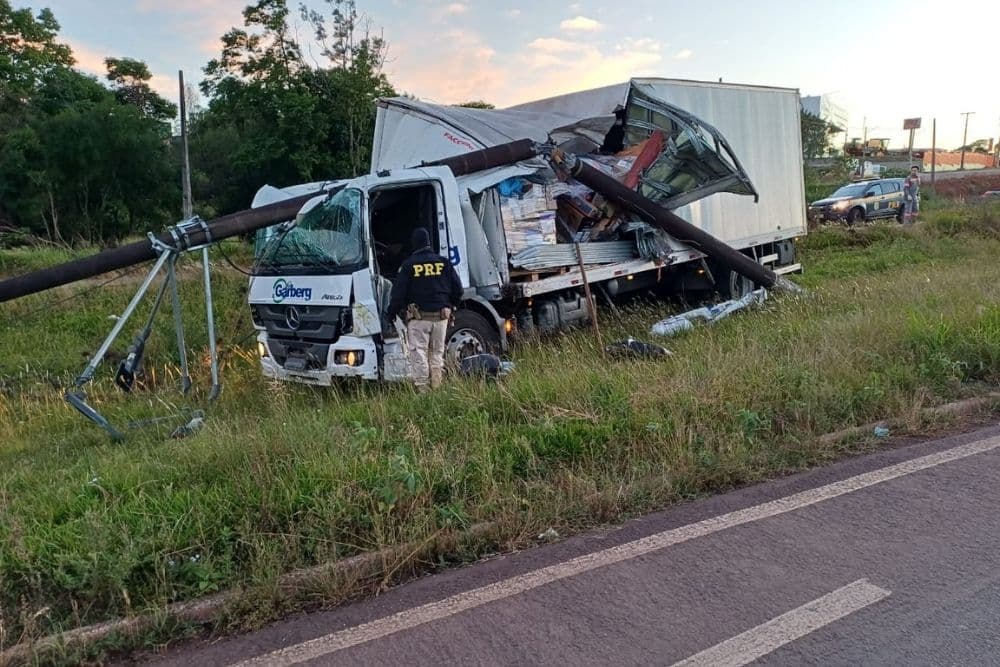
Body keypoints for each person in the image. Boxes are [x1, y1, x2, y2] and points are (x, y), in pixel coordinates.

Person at [386, 227, 463, 391]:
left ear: (414, 244)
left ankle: (424, 392)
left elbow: (398, 295)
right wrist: (451, 306)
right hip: (441, 319)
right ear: (428, 242)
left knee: (419, 354)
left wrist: (390, 314)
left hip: (420, 319)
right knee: (436, 355)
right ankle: (437, 388)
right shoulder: (443, 263)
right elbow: (458, 290)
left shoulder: (408, 266)